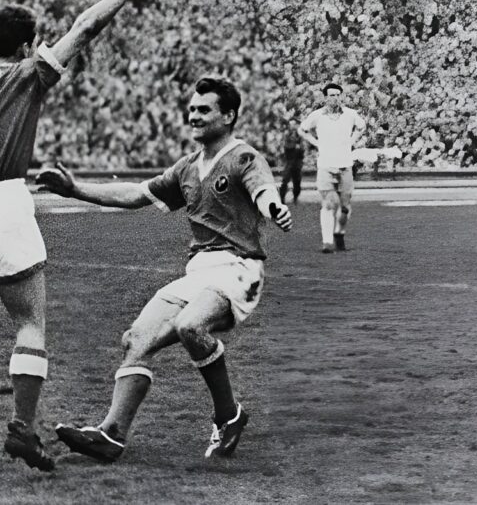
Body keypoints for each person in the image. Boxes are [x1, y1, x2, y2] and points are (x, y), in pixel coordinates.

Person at [0, 0, 166, 472]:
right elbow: (84, 27)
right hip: (3, 202)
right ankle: (21, 429)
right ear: (25, 45)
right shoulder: (29, 73)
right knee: (29, 324)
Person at [36, 76, 293, 462]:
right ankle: (111, 435)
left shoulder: (244, 157)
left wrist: (274, 208)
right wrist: (75, 190)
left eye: (203, 110)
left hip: (239, 267)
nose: (193, 116)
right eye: (191, 109)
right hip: (200, 271)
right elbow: (135, 194)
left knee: (191, 326)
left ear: (228, 115)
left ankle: (227, 415)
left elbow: (264, 191)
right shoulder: (187, 167)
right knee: (136, 339)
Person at [299, 82, 366, 253]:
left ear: (341, 96)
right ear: (325, 98)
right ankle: (327, 242)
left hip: (345, 165)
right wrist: (316, 143)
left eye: (337, 95)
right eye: (331, 95)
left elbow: (362, 127)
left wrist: (352, 140)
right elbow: (302, 130)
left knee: (345, 207)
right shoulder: (317, 115)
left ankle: (339, 233)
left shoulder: (350, 114)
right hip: (326, 165)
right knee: (328, 204)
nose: (335, 98)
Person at [278, 125, 305, 204]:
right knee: (285, 181)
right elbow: (285, 147)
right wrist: (295, 146)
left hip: (297, 163)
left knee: (297, 182)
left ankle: (295, 198)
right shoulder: (287, 137)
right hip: (289, 162)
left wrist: (299, 148)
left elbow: (302, 150)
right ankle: (282, 198)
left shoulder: (300, 138)